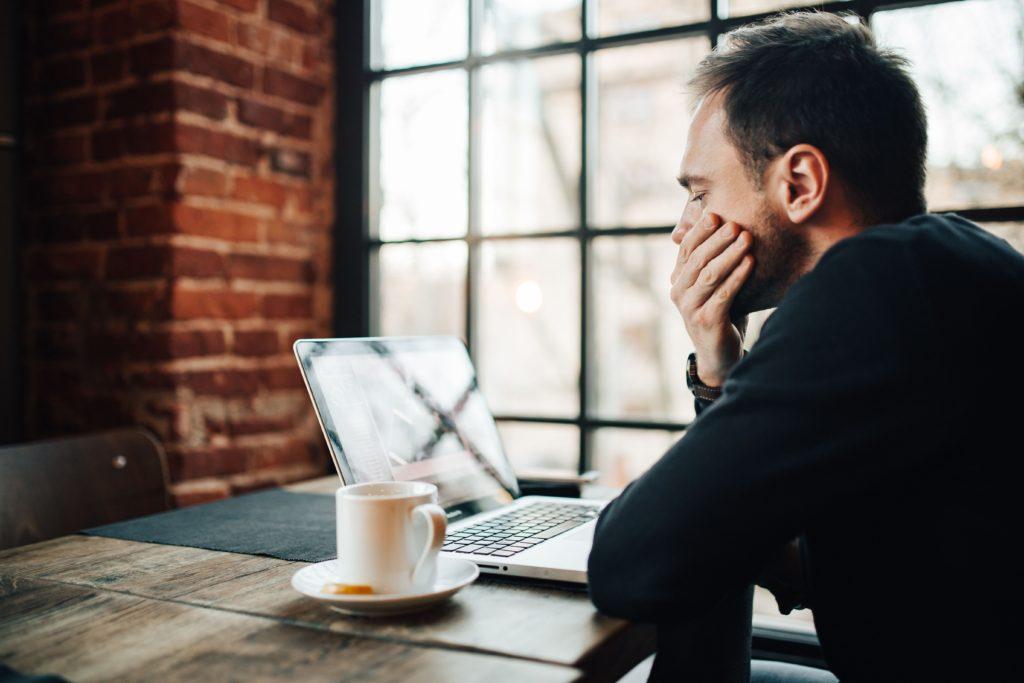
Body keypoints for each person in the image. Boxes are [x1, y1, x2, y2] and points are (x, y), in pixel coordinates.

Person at [587, 11, 1024, 683]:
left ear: (799, 184)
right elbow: (777, 537)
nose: (684, 231)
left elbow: (630, 563)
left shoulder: (873, 286)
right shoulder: (940, 265)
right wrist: (718, 368)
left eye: (700, 193)